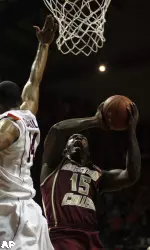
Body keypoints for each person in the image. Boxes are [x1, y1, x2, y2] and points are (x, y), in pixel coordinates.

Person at [41, 102, 141, 250]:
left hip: (91, 235)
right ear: (64, 150)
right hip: (61, 233)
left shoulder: (98, 174)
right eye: (72, 139)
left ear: (88, 153)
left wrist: (131, 132)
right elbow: (57, 130)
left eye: (81, 140)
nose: (76, 140)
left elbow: (131, 175)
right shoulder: (52, 165)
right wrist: (95, 121)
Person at [0, 15, 57, 250]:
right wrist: (43, 45)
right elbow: (35, 80)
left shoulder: (8, 125)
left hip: (10, 212)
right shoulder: (28, 112)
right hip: (28, 209)